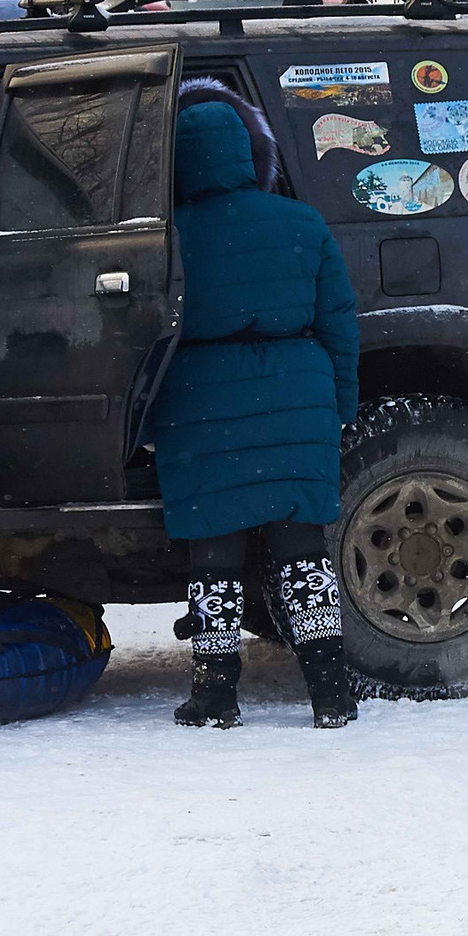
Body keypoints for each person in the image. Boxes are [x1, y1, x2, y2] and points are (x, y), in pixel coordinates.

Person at [150, 100, 362, 729]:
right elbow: (339, 326)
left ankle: (215, 695)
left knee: (212, 555)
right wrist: (339, 407)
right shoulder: (302, 222)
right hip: (297, 393)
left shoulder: (169, 236)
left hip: (202, 397)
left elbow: (147, 334)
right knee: (303, 555)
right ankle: (331, 692)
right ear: (248, 152)